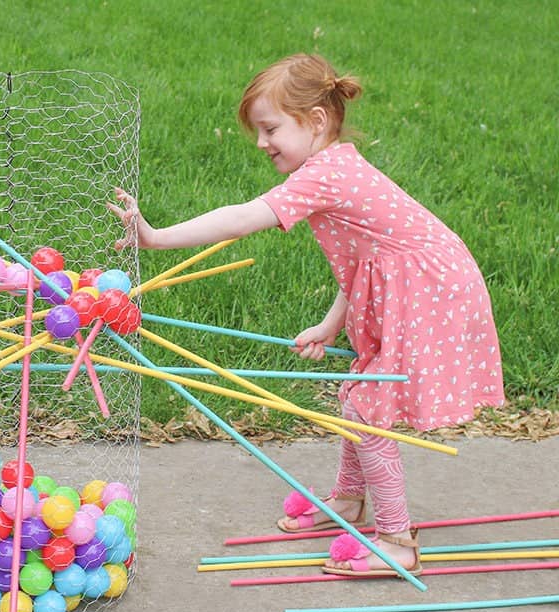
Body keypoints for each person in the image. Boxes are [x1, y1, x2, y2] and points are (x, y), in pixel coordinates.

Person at [109, 53, 504, 577]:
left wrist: (156, 238)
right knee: (355, 395)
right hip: (416, 282)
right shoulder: (333, 167)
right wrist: (332, 323)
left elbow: (244, 217)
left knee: (370, 410)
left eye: (271, 128)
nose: (260, 142)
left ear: (316, 121)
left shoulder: (326, 175)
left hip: (430, 290)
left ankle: (396, 540)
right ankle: (347, 501)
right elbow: (367, 259)